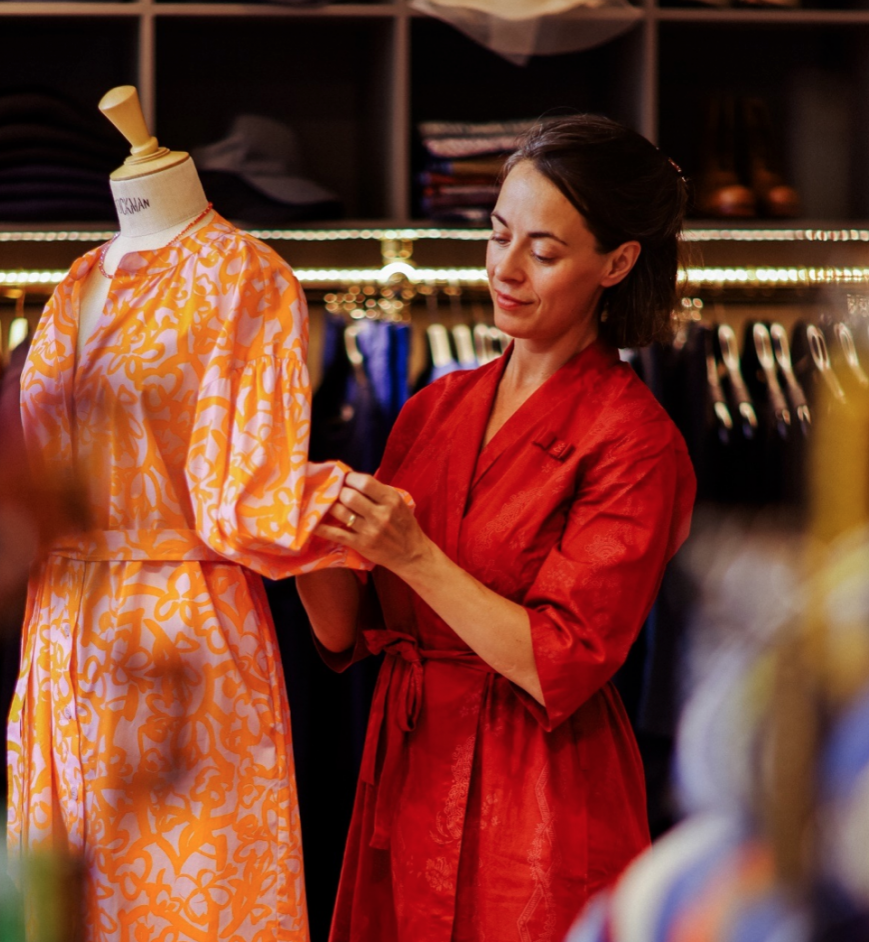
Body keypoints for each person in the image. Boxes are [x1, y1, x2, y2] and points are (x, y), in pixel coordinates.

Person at [295, 115, 698, 942]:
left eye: (543, 253)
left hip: (539, 790)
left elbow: (562, 665)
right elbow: (348, 627)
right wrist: (296, 524)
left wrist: (414, 556)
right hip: (408, 770)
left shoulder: (635, 440)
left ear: (616, 264)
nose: (505, 271)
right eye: (497, 235)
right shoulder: (435, 405)